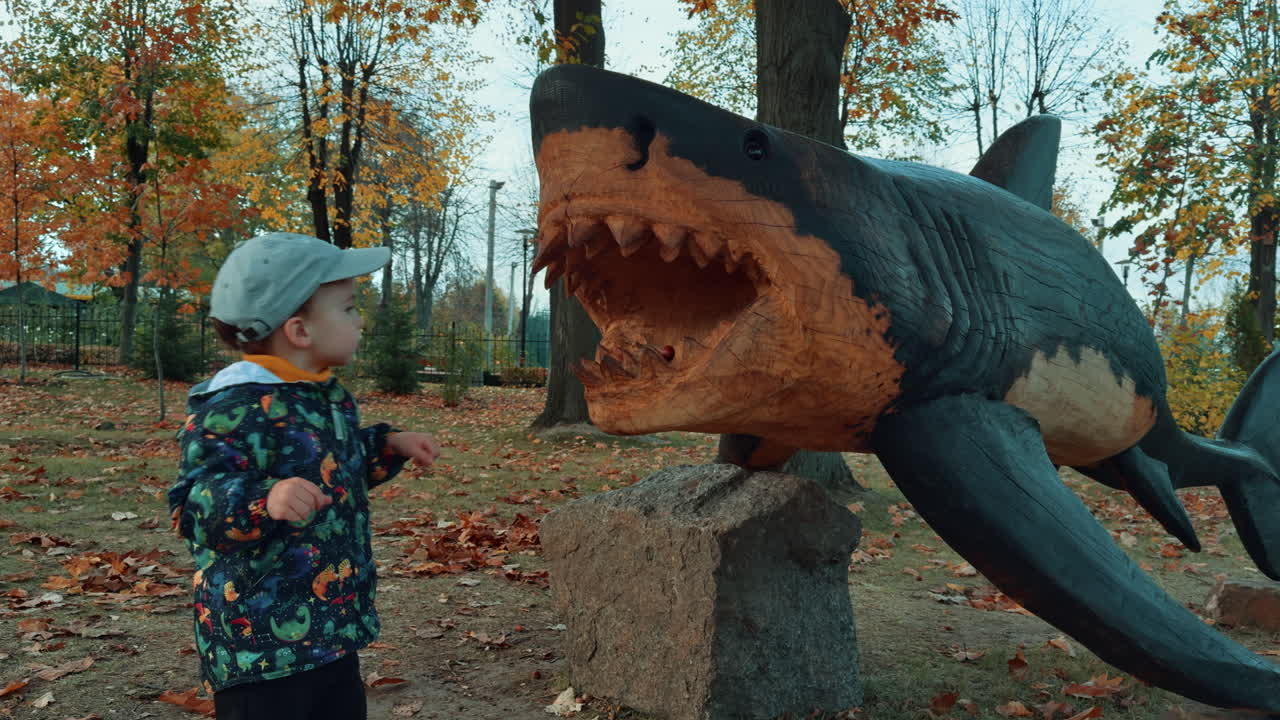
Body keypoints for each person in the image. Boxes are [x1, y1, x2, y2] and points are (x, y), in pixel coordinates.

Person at [166, 232, 440, 720]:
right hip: (260, 645)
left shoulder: (321, 396)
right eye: (349, 308)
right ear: (300, 331)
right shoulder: (236, 406)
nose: (360, 321)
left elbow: (335, 462)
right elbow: (193, 506)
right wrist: (263, 499)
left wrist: (387, 445)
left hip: (330, 627)